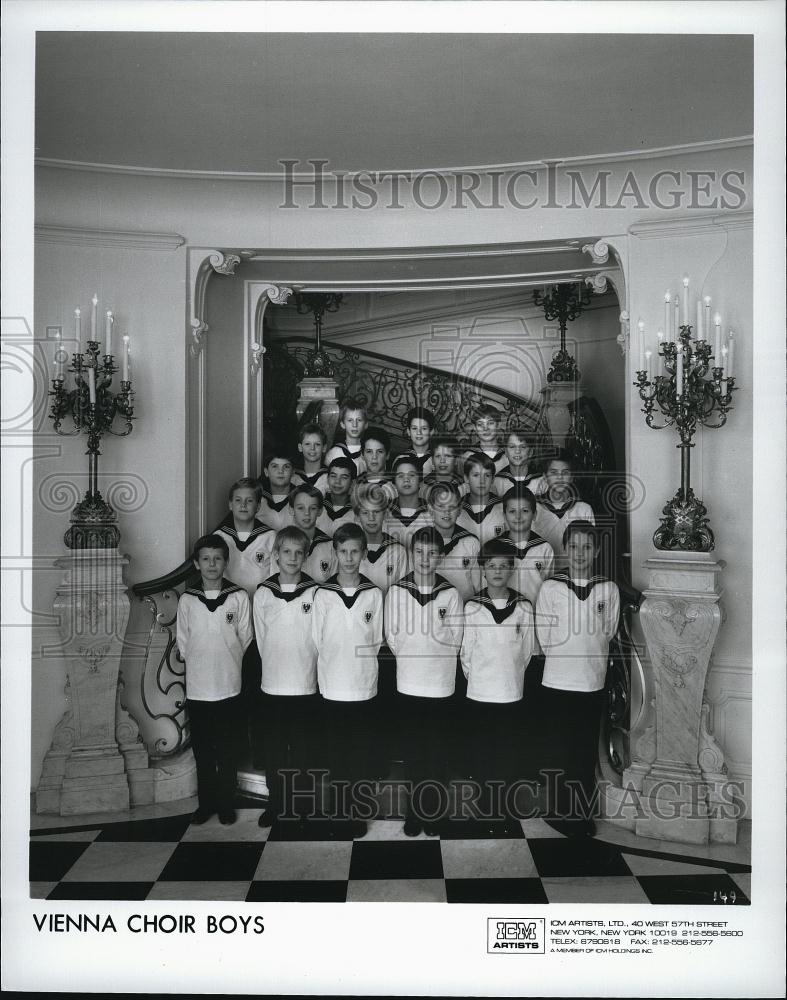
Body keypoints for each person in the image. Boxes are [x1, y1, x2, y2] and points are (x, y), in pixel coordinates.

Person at [536, 520, 620, 838]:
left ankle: (582, 815)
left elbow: (607, 631)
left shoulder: (607, 589)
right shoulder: (551, 588)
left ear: (596, 550)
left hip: (591, 680)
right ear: (565, 550)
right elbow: (544, 636)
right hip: (557, 680)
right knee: (560, 748)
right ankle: (559, 811)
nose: (580, 553)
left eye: (587, 547)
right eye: (574, 547)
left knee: (584, 750)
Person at [384, 527, 463, 836]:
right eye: (419, 552)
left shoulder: (451, 594)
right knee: (415, 752)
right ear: (412, 554)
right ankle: (415, 813)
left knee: (438, 752)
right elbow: (391, 636)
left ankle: (436, 812)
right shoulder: (397, 591)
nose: (425, 559)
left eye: (432, 553)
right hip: (409, 683)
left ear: (440, 557)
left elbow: (456, 638)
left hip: (441, 684)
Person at [312, 523, 384, 836]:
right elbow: (317, 639)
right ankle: (339, 811)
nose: (350, 557)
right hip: (333, 685)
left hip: (363, 685)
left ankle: (358, 810)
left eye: (355, 551)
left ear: (363, 554)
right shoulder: (323, 594)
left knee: (360, 751)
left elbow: (377, 638)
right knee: (337, 753)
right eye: (344, 551)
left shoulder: (373, 594)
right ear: (336, 553)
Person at [176, 534, 253, 826]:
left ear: (226, 562)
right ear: (197, 563)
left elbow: (245, 638)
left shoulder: (238, 597)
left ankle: (226, 803)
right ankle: (206, 803)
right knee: (204, 750)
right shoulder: (188, 600)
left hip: (229, 687)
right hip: (198, 689)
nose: (211, 564)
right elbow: (184, 642)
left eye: (217, 558)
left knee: (228, 748)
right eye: (206, 559)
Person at [461, 538, 535, 828]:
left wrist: (511, 675)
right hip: (480, 692)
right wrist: (479, 678)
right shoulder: (472, 607)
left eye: (504, 566)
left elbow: (527, 651)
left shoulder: (524, 607)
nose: (497, 572)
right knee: (483, 753)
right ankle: (484, 807)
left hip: (511, 691)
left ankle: (504, 807)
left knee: (507, 753)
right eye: (491, 566)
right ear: (483, 570)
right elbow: (466, 654)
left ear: (512, 570)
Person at [253, 526, 319, 828]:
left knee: (305, 748)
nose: (292, 557)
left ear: (306, 556)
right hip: (274, 684)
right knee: (276, 749)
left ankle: (305, 804)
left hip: (305, 684)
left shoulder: (316, 592)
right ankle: (276, 802)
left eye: (298, 552)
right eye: (286, 552)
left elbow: (318, 638)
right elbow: (261, 636)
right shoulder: (264, 592)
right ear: (275, 555)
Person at [214, 477, 276, 767]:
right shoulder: (219, 538)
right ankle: (237, 753)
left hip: (263, 626)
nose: (243, 505)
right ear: (230, 504)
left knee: (261, 688)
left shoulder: (271, 538)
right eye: (238, 500)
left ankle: (263, 753)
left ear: (258, 505)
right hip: (231, 626)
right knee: (234, 690)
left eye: (249, 500)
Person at [533, 452, 595, 571]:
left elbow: (589, 549)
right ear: (545, 477)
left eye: (565, 473)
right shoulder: (534, 507)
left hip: (573, 574)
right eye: (554, 472)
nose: (560, 477)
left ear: (572, 477)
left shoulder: (583, 509)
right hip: (541, 573)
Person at [426, 480, 480, 602]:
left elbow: (479, 587)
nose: (447, 512)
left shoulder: (471, 542)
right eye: (441, 506)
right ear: (430, 509)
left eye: (452, 507)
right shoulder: (422, 542)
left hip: (465, 609)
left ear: (460, 509)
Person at [271, 484, 337, 583]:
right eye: (301, 508)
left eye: (313, 508)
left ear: (320, 511)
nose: (307, 513)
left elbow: (334, 585)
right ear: (291, 510)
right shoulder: (281, 542)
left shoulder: (330, 546)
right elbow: (275, 578)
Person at [457, 452, 507, 545]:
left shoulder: (504, 508)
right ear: (466, 478)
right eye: (476, 475)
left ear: (492, 479)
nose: (482, 481)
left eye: (487, 475)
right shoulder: (456, 510)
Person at [385, 454, 430, 546]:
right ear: (394, 484)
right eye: (400, 476)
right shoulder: (384, 513)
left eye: (412, 475)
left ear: (420, 482)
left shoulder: (432, 513)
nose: (406, 480)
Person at [492, 429, 545, 497]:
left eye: (523, 447)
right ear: (506, 452)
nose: (517, 451)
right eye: (512, 447)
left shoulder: (541, 481)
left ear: (531, 452)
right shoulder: (496, 482)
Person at [325, 397, 368, 475]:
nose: (354, 425)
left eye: (359, 420)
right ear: (342, 424)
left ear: (365, 424)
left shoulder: (368, 452)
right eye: (350, 420)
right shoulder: (334, 453)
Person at [316, 456, 357, 537]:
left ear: (353, 483)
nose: (337, 481)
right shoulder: (316, 507)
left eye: (344, 477)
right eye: (333, 476)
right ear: (327, 479)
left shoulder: (357, 513)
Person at [462, 402, 507, 475]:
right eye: (480, 424)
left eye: (490, 423)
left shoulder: (508, 453)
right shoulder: (468, 456)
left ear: (498, 425)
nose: (485, 428)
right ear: (475, 428)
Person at [258, 450, 295, 531]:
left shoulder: (300, 497)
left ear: (293, 472)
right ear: (266, 472)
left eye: (286, 467)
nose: (280, 471)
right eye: (275, 466)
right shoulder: (255, 498)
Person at [420, 436, 465, 501]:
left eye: (447, 456)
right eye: (438, 456)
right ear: (432, 460)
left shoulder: (463, 487)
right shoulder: (423, 486)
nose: (442, 461)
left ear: (456, 460)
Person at [291, 423, 329, 493]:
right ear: (300, 447)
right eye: (307, 444)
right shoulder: (292, 477)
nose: (312, 448)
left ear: (324, 448)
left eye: (317, 444)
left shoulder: (329, 477)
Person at [403, 405, 435, 477]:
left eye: (424, 428)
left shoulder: (437, 458)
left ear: (431, 432)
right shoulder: (402, 459)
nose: (419, 433)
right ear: (408, 431)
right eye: (414, 428)